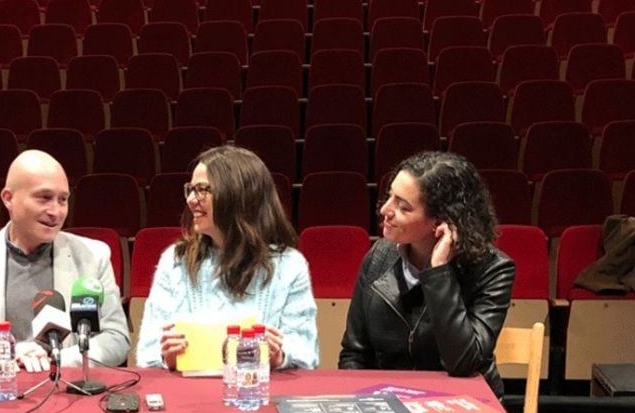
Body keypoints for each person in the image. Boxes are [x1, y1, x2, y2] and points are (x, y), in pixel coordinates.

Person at [339, 151, 515, 397]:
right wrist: (359, 404)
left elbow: (463, 362)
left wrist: (439, 271)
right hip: (387, 402)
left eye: (403, 206)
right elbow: (354, 353)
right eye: (390, 197)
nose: (385, 211)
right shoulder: (378, 256)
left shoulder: (493, 269)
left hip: (462, 406)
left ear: (440, 221)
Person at [0, 150, 130, 371]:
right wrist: (6, 357)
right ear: (8, 198)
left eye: (63, 200)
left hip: (69, 389)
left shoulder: (93, 256)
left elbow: (116, 339)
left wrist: (56, 361)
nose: (56, 212)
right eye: (44, 198)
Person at [136, 145, 319, 370]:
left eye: (203, 189)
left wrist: (280, 356)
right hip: (189, 397)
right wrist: (166, 356)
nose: (191, 200)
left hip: (259, 394)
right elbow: (147, 351)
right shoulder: (175, 261)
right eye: (191, 189)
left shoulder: (289, 265)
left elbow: (307, 352)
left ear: (237, 196)